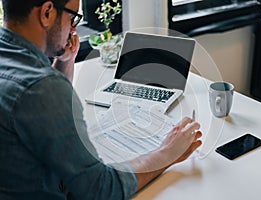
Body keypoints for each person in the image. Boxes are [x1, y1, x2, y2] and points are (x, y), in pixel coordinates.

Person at [0, 0, 202, 199]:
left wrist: (65, 61)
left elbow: (40, 115)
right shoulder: (43, 87)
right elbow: (100, 189)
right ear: (47, 13)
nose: (72, 29)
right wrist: (168, 153)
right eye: (72, 17)